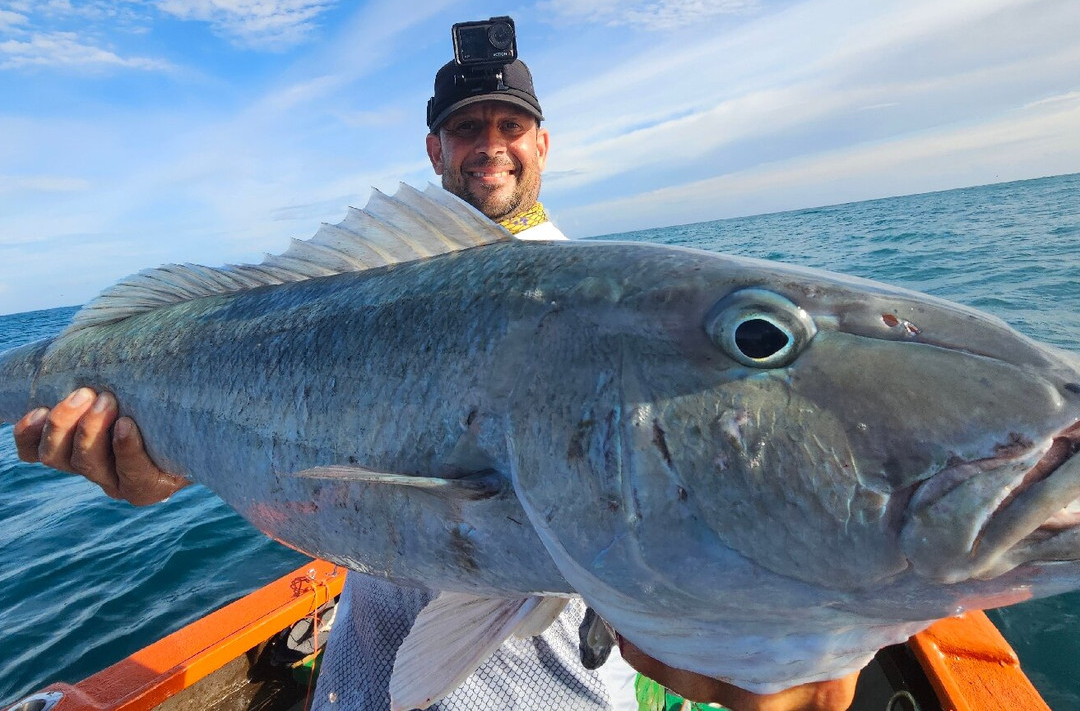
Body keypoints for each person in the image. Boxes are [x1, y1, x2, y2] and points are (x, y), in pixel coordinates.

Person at [14, 35, 859, 711]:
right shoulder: (363, 295)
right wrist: (151, 469)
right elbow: (274, 472)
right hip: (361, 679)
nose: (489, 148)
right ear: (434, 149)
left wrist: (763, 619)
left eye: (509, 126)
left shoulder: (624, 310)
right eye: (466, 129)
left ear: (542, 142)